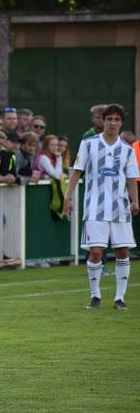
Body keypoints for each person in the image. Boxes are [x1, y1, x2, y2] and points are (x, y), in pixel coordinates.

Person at [63, 104, 139, 310]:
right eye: (109, 119)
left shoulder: (126, 148)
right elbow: (77, 172)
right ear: (102, 121)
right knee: (96, 251)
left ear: (121, 122)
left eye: (116, 120)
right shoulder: (88, 144)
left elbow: (132, 178)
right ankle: (95, 295)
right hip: (94, 206)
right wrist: (67, 198)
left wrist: (134, 201)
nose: (112, 123)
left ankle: (119, 298)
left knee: (122, 251)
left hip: (120, 208)